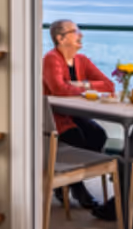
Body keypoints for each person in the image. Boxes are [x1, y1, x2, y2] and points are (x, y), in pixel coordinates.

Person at [43, 19, 115, 210]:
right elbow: (58, 89)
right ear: (60, 38)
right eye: (75, 31)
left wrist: (82, 85)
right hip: (55, 117)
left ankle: (68, 182)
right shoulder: (51, 58)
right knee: (76, 138)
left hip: (75, 114)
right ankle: (77, 187)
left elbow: (108, 85)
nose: (80, 35)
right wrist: (81, 88)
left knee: (98, 135)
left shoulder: (82, 60)